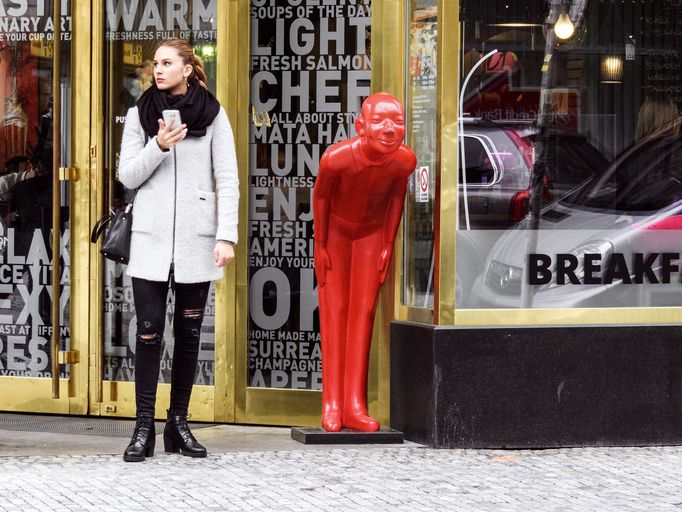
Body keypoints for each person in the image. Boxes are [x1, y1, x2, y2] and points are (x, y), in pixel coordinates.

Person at [117, 38, 239, 462]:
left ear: (189, 68)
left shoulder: (213, 113)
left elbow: (228, 178)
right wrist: (159, 145)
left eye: (167, 62)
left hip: (196, 241)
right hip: (149, 240)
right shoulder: (140, 114)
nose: (158, 69)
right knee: (148, 334)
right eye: (155, 63)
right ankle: (143, 428)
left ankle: (179, 424)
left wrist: (226, 236)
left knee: (188, 335)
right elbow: (127, 175)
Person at [313, 93, 416, 432]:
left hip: (371, 236)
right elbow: (322, 197)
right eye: (379, 121)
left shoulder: (404, 161)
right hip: (338, 235)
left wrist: (388, 242)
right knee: (334, 311)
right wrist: (321, 244)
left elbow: (397, 197)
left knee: (364, 312)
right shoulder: (337, 159)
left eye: (397, 122)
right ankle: (332, 402)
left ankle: (355, 404)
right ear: (360, 127)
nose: (389, 129)